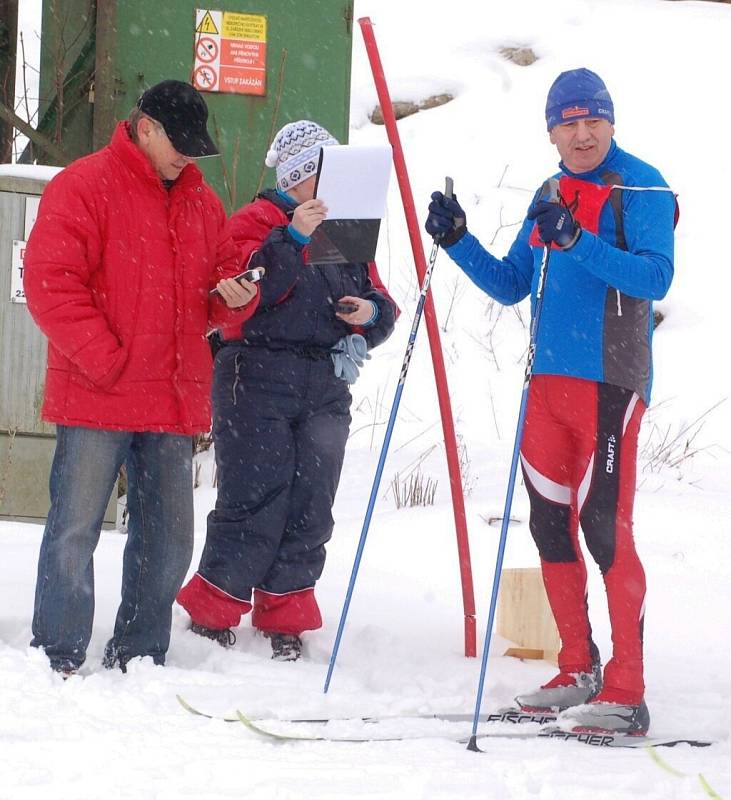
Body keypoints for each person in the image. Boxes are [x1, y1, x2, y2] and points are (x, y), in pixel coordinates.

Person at [425, 68, 675, 734]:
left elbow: (654, 275)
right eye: (567, 123)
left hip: (609, 383)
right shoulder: (549, 191)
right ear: (550, 133)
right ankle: (577, 669)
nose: (582, 133)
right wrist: (456, 241)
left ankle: (627, 688)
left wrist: (576, 240)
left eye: (592, 120)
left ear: (610, 123)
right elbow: (510, 284)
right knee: (545, 524)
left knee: (602, 527)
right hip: (545, 386)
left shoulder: (640, 185)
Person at [23, 80, 259, 676]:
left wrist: (233, 297)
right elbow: (51, 284)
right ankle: (58, 652)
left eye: (195, 146)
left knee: (170, 540)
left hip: (170, 399)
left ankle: (141, 652)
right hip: (98, 394)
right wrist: (108, 360)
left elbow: (212, 293)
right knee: (75, 531)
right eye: (179, 142)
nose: (188, 155)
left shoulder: (203, 204)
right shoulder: (81, 185)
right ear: (145, 127)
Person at [176, 120, 398, 661]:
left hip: (326, 379)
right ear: (302, 176)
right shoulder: (254, 221)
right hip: (256, 372)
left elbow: (382, 301)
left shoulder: (345, 227)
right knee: (253, 497)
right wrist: (292, 237)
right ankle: (214, 610)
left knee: (312, 501)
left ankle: (286, 616)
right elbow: (248, 293)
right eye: (325, 173)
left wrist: (371, 313)